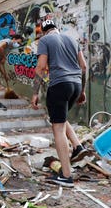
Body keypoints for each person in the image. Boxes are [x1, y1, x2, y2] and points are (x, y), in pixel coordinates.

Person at [32, 19, 87, 187]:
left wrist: (35, 93)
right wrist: (82, 90)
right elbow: (83, 66)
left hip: (59, 85)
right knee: (60, 118)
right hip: (76, 85)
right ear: (56, 27)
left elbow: (40, 67)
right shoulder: (71, 39)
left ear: (43, 31)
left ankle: (66, 175)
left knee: (57, 128)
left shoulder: (45, 40)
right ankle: (77, 146)